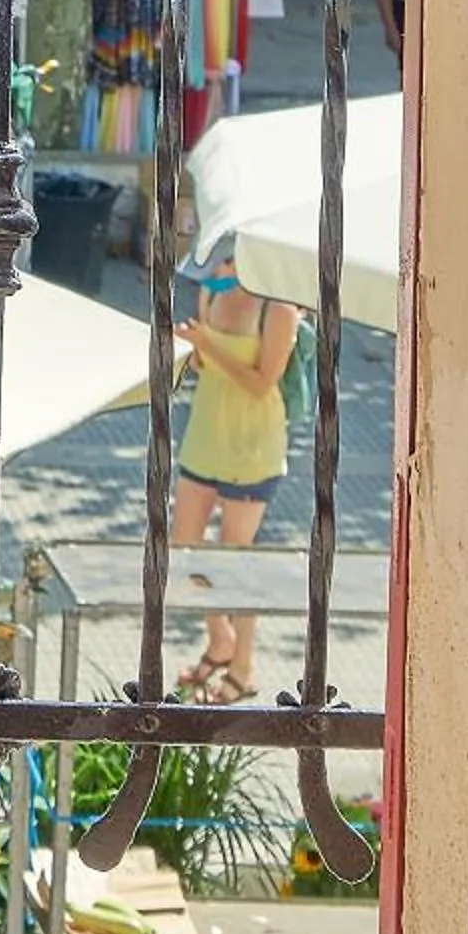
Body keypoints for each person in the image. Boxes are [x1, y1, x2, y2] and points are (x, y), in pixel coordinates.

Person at [171, 261, 301, 701]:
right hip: (205, 438)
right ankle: (219, 636)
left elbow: (263, 383)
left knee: (236, 560)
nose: (220, 263)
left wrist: (207, 343)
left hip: (253, 449)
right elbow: (207, 366)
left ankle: (243, 667)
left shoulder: (279, 309)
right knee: (183, 548)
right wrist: (193, 348)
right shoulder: (212, 292)